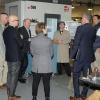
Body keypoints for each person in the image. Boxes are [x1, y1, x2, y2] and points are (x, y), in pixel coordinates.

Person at [70, 14, 95, 100]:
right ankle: (84, 95)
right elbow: (93, 41)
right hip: (89, 56)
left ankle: (76, 96)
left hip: (80, 56)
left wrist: (72, 56)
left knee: (75, 75)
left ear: (85, 19)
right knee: (87, 77)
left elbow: (76, 43)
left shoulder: (80, 28)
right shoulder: (93, 28)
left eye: (82, 18)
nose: (81, 20)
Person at [30, 22, 53, 100]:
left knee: (35, 82)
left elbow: (32, 52)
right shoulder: (49, 40)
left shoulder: (33, 40)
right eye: (46, 28)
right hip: (46, 65)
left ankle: (34, 97)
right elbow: (51, 54)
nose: (47, 29)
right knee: (46, 83)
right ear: (43, 29)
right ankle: (47, 97)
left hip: (36, 65)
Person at [3, 15, 22, 100]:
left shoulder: (5, 30)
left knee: (9, 74)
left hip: (9, 56)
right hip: (15, 57)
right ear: (13, 21)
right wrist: (20, 38)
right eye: (17, 20)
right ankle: (11, 95)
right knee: (14, 76)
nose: (18, 22)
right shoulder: (15, 31)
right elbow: (21, 44)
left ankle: (9, 92)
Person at [18, 18, 31, 83]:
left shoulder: (29, 30)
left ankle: (20, 76)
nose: (29, 23)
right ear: (24, 23)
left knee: (25, 64)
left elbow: (27, 39)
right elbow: (20, 40)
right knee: (23, 64)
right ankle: (19, 77)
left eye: (29, 22)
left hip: (26, 50)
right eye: (28, 22)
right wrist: (28, 40)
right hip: (21, 50)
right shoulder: (20, 29)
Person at [0, 13, 8, 88]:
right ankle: (0, 83)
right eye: (6, 18)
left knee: (6, 66)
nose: (7, 19)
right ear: (1, 18)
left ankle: (4, 82)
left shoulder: (4, 27)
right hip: (1, 51)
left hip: (5, 51)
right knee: (0, 67)